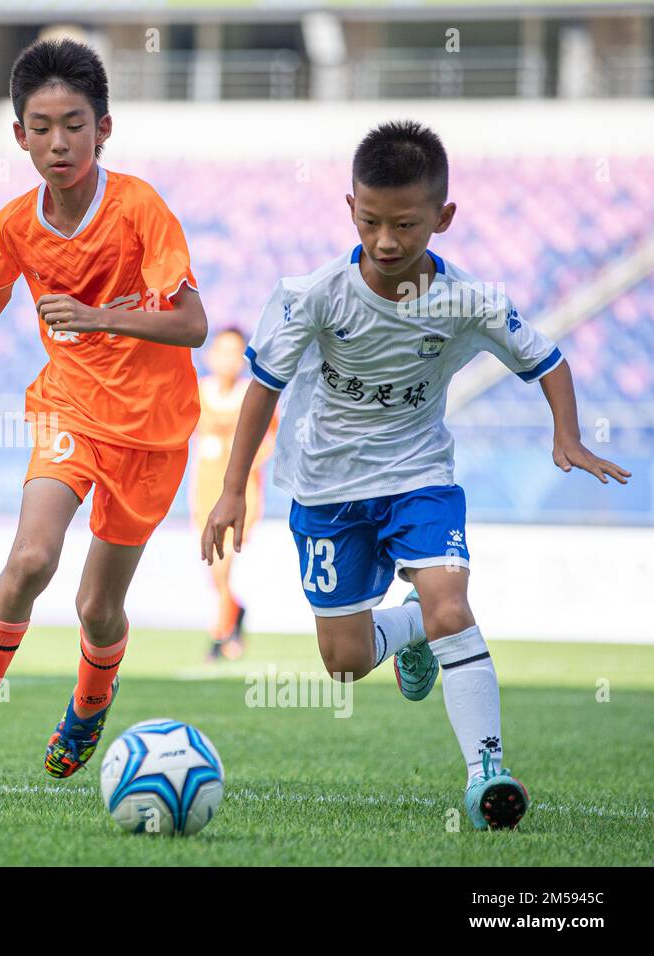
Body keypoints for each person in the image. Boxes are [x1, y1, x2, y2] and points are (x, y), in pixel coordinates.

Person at [200, 121, 630, 830]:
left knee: (451, 605)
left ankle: (486, 769)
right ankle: (413, 634)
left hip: (419, 475)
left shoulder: (472, 301)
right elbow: (264, 388)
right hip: (327, 490)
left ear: (444, 217)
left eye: (406, 223)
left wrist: (568, 435)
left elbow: (548, 358)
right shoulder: (312, 295)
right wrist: (229, 489)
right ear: (350, 209)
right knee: (342, 661)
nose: (387, 241)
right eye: (371, 221)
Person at [0, 39, 208, 786]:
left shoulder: (138, 207)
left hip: (154, 429)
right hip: (67, 406)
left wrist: (101, 319)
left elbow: (192, 323)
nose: (58, 142)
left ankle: (90, 704)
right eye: (41, 126)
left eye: (74, 123)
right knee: (31, 557)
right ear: (18, 134)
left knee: (98, 609)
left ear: (103, 128)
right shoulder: (16, 223)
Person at [190, 327, 276, 660]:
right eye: (222, 351)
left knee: (224, 558)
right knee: (212, 562)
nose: (227, 359)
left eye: (235, 353)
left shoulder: (251, 395)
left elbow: (269, 439)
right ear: (210, 355)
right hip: (205, 487)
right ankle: (234, 612)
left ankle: (220, 633)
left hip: (240, 489)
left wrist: (244, 463)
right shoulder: (199, 392)